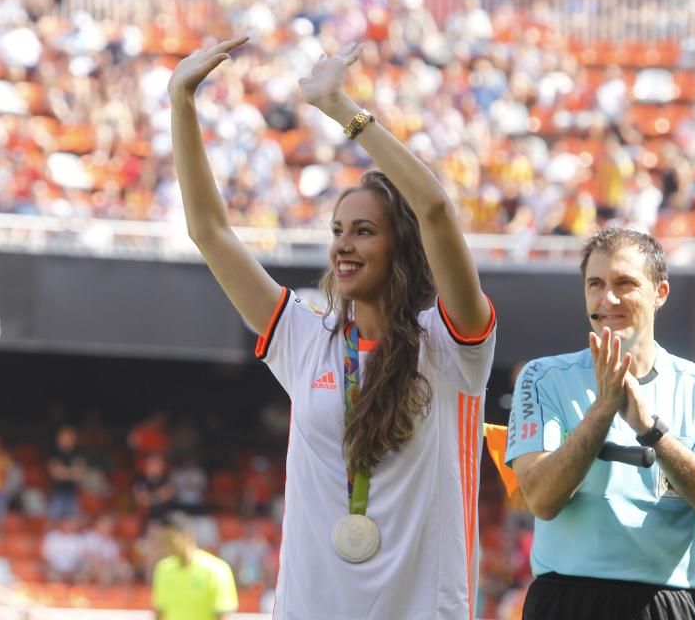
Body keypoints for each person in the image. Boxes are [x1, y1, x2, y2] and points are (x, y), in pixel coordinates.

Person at [169, 37, 495, 619]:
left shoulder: (450, 344)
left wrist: (342, 109)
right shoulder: (306, 338)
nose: (343, 244)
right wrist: (181, 101)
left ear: (403, 243)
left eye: (364, 230)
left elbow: (437, 211)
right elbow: (210, 233)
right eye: (338, 229)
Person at [505, 228, 695, 620]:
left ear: (661, 293)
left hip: (663, 602)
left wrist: (650, 429)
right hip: (563, 600)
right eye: (595, 284)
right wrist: (602, 412)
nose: (608, 298)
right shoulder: (542, 378)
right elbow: (540, 498)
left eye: (625, 283)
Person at [151, 513, 238, 620]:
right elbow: (160, 613)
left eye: (170, 539)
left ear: (187, 535)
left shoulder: (217, 570)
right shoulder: (163, 569)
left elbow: (223, 615)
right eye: (163, 540)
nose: (166, 545)